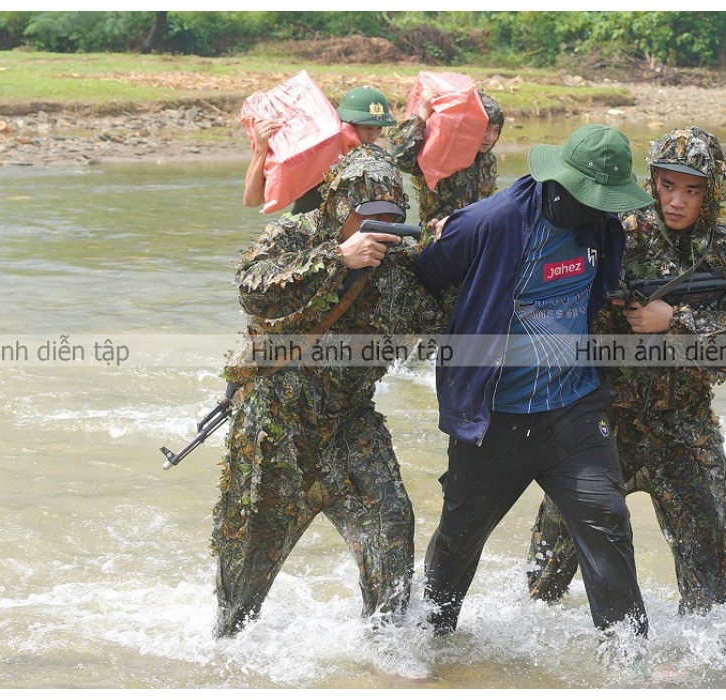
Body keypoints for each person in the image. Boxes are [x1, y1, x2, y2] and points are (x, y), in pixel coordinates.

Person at [413, 124, 655, 661]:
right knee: (460, 536)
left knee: (608, 521)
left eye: (608, 203)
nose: (602, 212)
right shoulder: (488, 224)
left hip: (573, 409)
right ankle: (431, 643)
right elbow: (426, 276)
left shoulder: (604, 226)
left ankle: (628, 661)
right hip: (494, 416)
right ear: (559, 185)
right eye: (592, 201)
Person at [525, 126, 726, 613]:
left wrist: (674, 320)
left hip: (683, 424)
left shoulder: (725, 251)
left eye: (692, 190)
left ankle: (702, 675)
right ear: (652, 181)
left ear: (712, 192)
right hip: (602, 423)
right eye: (667, 185)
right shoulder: (615, 232)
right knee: (548, 569)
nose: (677, 201)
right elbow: (550, 276)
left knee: (713, 567)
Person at [212, 143, 448, 638]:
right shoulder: (296, 237)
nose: (380, 228)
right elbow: (252, 288)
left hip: (348, 424)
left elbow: (442, 325)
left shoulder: (399, 268)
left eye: (391, 215)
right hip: (273, 430)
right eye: (368, 216)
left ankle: (386, 646)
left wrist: (451, 253)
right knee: (246, 571)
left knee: (391, 522)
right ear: (340, 208)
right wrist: (337, 259)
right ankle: (229, 655)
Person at [242, 86, 397, 214]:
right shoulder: (314, 154)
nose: (374, 136)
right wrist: (260, 150)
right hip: (306, 239)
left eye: (379, 128)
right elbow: (252, 200)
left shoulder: (377, 162)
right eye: (368, 128)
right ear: (346, 123)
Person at [389, 89, 504, 226]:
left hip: (475, 237)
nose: (490, 138)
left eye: (496, 130)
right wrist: (422, 113)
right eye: (485, 129)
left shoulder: (487, 159)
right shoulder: (442, 153)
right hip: (439, 237)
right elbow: (401, 157)